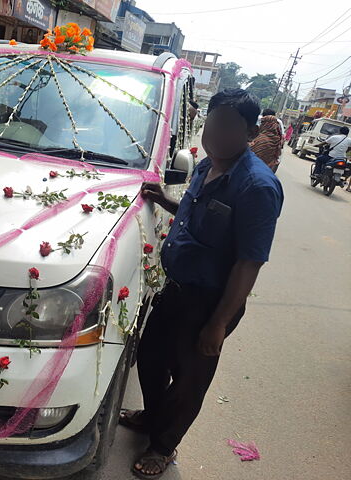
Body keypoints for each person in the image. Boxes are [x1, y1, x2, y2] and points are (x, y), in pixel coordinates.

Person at [121, 89, 283, 479]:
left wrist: (218, 323)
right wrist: (165, 201)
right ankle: (153, 416)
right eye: (213, 123)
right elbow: (197, 216)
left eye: (229, 126)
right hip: (176, 289)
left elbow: (249, 261)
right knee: (151, 357)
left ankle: (163, 445)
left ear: (249, 132)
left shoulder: (256, 186)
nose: (217, 133)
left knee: (190, 379)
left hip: (211, 302)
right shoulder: (206, 165)